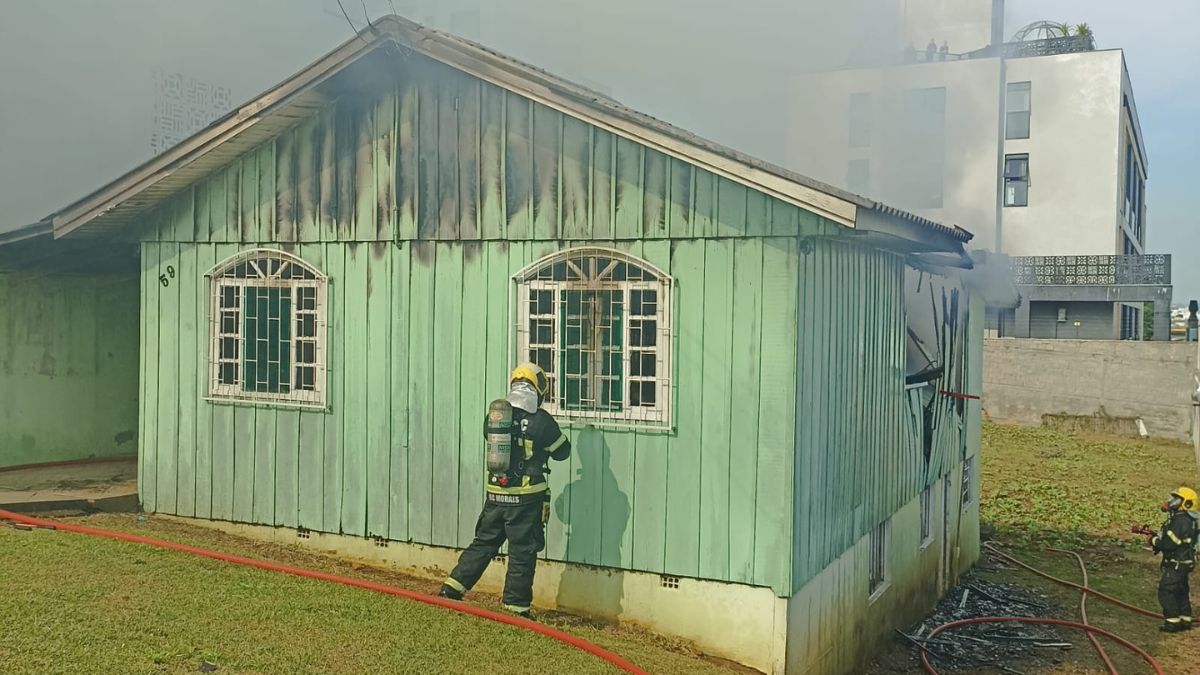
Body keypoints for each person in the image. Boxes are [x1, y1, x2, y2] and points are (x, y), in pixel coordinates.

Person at [438, 362, 571, 618]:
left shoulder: (496, 415)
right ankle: (516, 607)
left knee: (483, 543)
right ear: (538, 386)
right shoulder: (541, 420)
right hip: (526, 498)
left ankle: (451, 589)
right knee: (522, 550)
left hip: (496, 495)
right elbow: (563, 452)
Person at [1150, 486, 1198, 632]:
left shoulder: (1179, 521)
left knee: (1166, 591)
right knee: (1180, 590)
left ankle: (1172, 622)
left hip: (1176, 563)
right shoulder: (1189, 520)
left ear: (1187, 503)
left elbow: (1169, 544)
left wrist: (1153, 541)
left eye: (1177, 500)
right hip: (1185, 562)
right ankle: (1185, 619)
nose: (1172, 502)